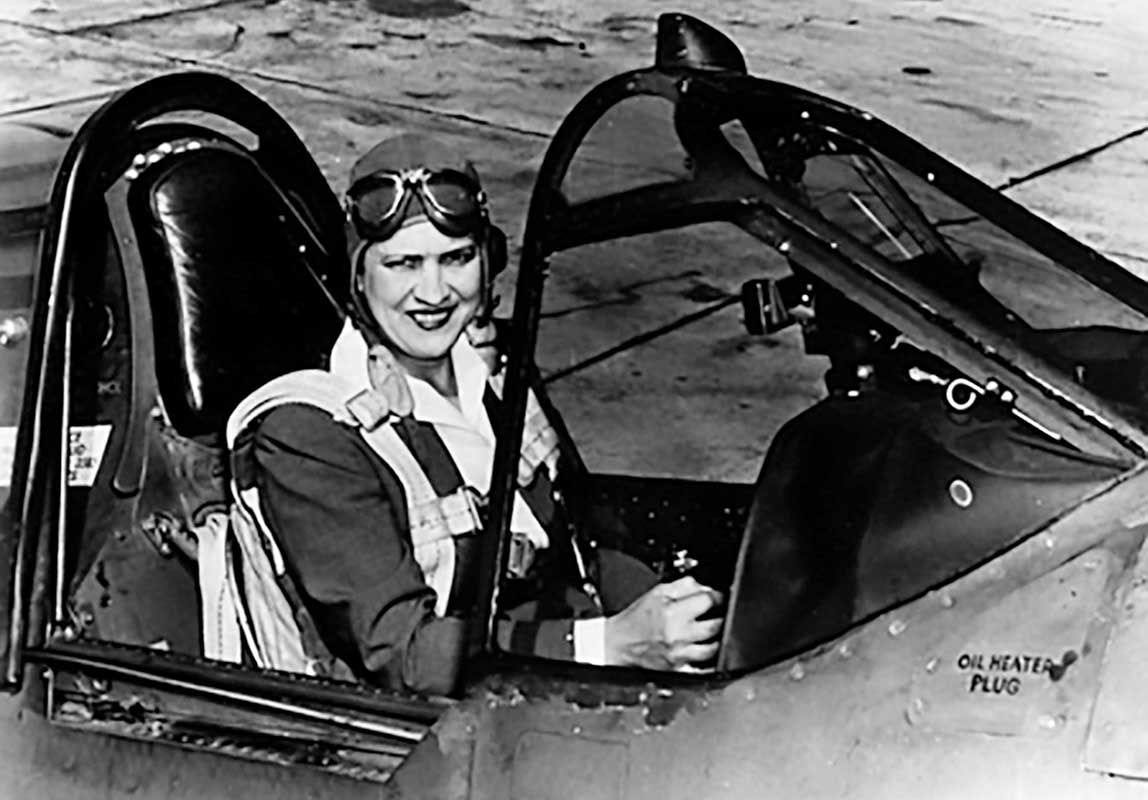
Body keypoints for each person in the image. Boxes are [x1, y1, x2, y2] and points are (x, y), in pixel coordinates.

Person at [222, 134, 724, 695]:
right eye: (403, 264)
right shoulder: (311, 434)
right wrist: (609, 644)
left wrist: (684, 618)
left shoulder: (495, 374)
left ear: (488, 261)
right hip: (448, 731)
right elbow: (402, 654)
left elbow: (581, 538)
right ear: (359, 275)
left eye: (455, 258)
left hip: (563, 669)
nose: (433, 292)